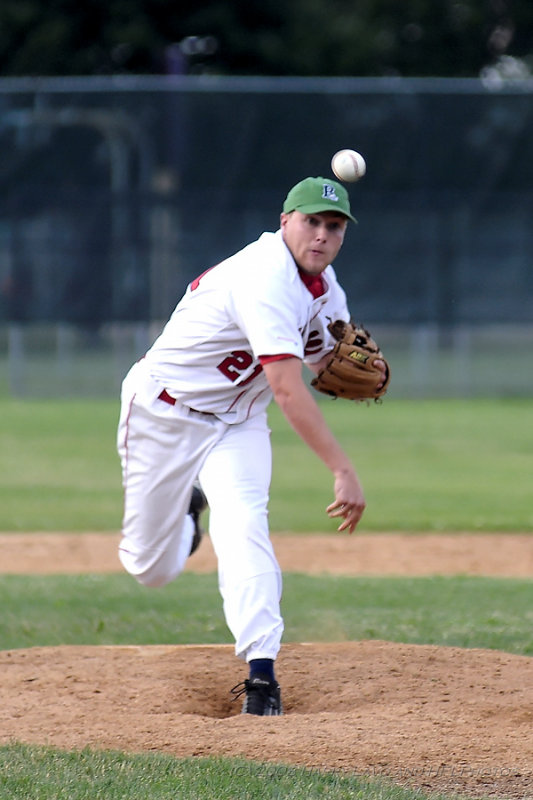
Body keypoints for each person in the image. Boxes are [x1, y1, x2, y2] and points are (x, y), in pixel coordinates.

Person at [117, 176, 386, 716]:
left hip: (238, 423)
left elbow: (323, 361)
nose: (322, 236)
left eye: (334, 227)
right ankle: (187, 516)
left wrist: (351, 367)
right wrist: (342, 468)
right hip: (165, 415)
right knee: (150, 568)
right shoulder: (264, 276)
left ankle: (261, 676)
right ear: (285, 221)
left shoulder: (327, 289)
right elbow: (286, 388)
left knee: (244, 527)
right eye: (312, 221)